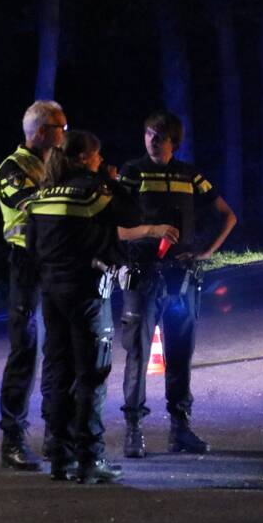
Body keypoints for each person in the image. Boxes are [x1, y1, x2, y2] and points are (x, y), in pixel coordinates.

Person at [26, 130, 178, 484]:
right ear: (83, 158)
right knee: (92, 374)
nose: (100, 160)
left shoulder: (42, 195)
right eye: (96, 155)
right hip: (88, 293)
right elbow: (131, 213)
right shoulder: (94, 192)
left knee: (59, 372)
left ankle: (60, 457)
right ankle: (90, 458)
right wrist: (110, 181)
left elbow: (32, 246)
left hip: (51, 294)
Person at [118, 110, 236, 457]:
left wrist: (205, 252)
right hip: (142, 274)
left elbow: (228, 216)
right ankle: (133, 431)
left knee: (181, 354)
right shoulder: (132, 173)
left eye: (160, 136)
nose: (153, 141)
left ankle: (180, 429)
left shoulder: (190, 175)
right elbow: (114, 224)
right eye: (148, 134)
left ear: (174, 142)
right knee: (138, 353)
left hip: (181, 277)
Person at [0, 100, 66, 470]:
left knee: (59, 349)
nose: (64, 134)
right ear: (39, 132)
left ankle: (55, 434)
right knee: (25, 348)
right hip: (26, 262)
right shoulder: (11, 168)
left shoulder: (58, 163)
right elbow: (33, 204)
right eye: (59, 128)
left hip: (57, 262)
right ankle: (13, 439)